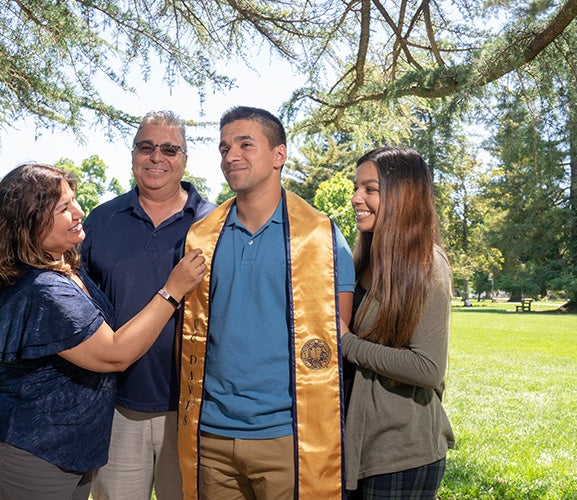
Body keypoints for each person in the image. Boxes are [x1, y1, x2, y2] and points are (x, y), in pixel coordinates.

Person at [0, 163, 207, 499]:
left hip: (67, 448)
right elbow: (114, 354)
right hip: (30, 446)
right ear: (30, 222)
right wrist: (172, 290)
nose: (80, 212)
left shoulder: (64, 267)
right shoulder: (43, 288)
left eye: (74, 201)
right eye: (64, 208)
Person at [177, 106, 355, 499]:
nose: (230, 156)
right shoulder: (201, 237)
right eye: (224, 148)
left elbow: (332, 345)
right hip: (212, 437)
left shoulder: (320, 238)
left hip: (289, 439)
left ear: (279, 155)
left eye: (245, 144)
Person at [80, 110, 216, 500]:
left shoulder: (214, 223)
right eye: (146, 147)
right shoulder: (101, 221)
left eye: (169, 149)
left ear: (185, 160)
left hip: (194, 407)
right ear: (133, 155)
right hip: (115, 405)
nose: (157, 157)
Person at [343, 146, 455, 499]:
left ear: (402, 196)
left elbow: (427, 368)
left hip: (401, 455)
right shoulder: (365, 257)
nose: (355, 198)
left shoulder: (428, 266)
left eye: (370, 189)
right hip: (356, 446)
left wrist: (346, 343)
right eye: (357, 187)